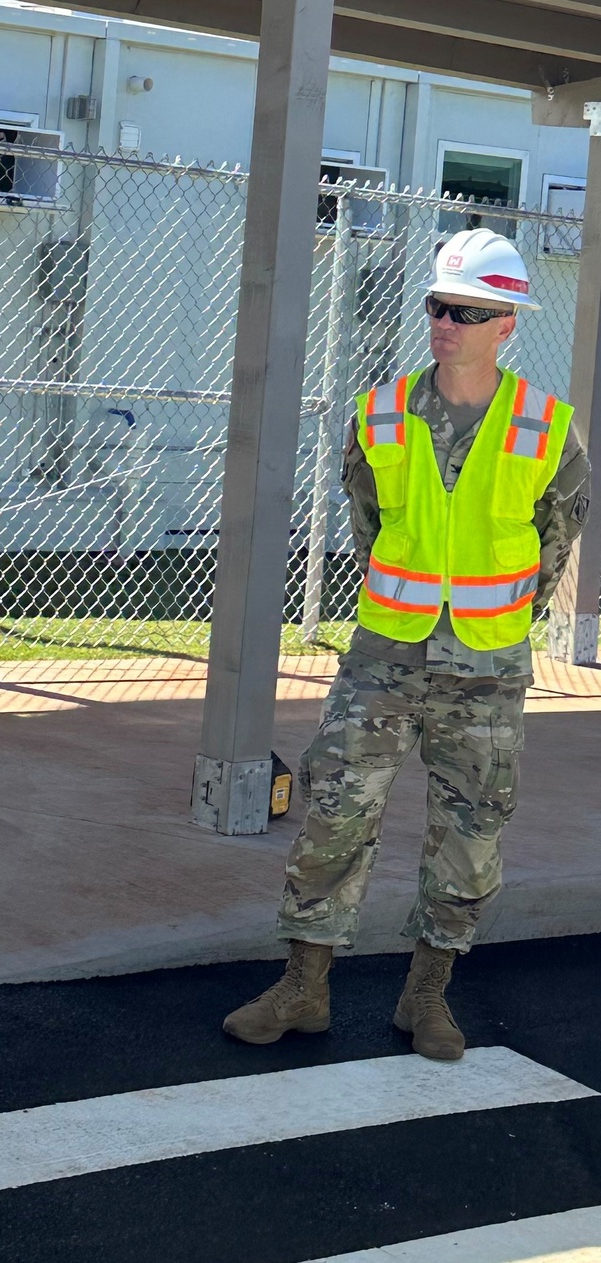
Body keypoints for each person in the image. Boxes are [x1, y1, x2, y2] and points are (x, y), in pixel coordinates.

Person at [223, 228, 590, 1061]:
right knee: (334, 816)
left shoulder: (548, 428)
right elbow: (366, 528)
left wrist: (491, 619)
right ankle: (303, 987)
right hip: (383, 659)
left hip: (488, 671)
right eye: (437, 304)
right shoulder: (380, 413)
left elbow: (557, 540)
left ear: (506, 322)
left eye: (466, 309)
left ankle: (427, 994)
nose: (446, 321)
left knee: (471, 833)